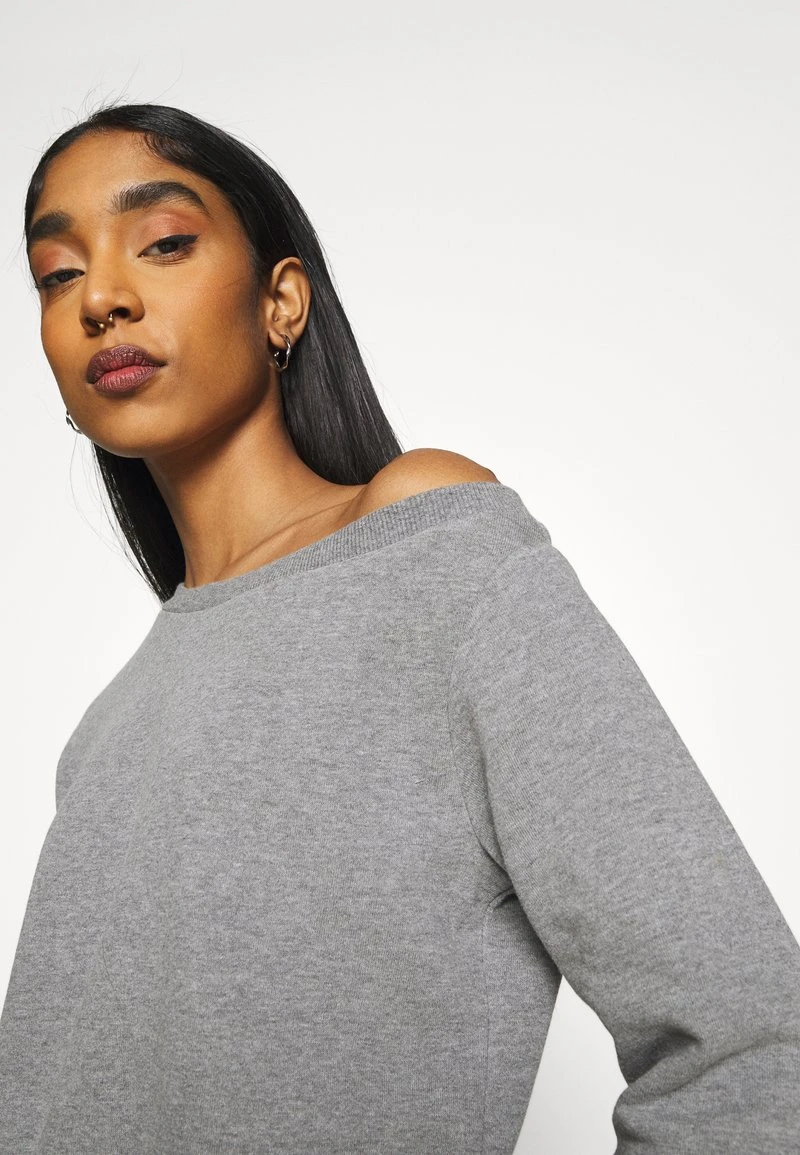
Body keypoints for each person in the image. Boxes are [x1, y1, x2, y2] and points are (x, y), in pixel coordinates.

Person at [0, 103, 798, 1155]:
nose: (101, 298)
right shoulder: (104, 735)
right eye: (57, 274)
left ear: (281, 302)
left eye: (164, 243)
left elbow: (748, 1054)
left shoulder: (426, 551)